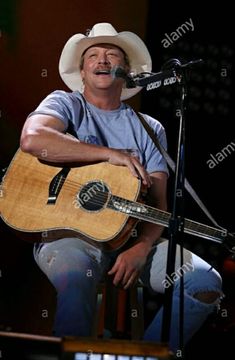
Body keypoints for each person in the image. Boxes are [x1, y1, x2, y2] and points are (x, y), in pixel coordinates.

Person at [20, 22, 223, 353]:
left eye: (111, 54)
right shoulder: (65, 104)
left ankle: (143, 357)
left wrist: (141, 248)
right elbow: (33, 139)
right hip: (67, 236)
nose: (102, 60)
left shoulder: (149, 127)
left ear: (126, 71)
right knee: (77, 280)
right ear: (82, 72)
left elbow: (158, 204)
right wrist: (109, 155)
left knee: (205, 282)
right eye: (93, 55)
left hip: (129, 239)